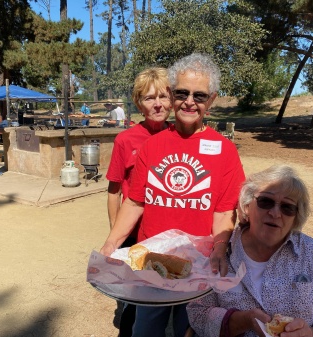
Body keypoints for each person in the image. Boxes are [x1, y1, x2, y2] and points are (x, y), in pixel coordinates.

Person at [100, 53, 245, 337]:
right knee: (145, 330)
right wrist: (111, 243)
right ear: (171, 93)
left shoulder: (225, 151)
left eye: (199, 95)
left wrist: (218, 250)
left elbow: (224, 211)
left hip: (199, 264)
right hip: (153, 261)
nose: (190, 101)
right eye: (182, 93)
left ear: (211, 100)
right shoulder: (152, 147)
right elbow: (134, 201)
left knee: (189, 330)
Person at [186, 165, 313, 337]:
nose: (275, 213)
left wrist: (311, 334)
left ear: (296, 217)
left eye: (287, 207)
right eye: (265, 202)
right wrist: (243, 320)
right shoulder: (220, 254)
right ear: (246, 206)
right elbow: (198, 316)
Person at [106, 67, 172, 337]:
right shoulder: (126, 139)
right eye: (149, 98)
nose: (157, 104)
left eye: (163, 96)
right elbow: (113, 190)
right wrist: (115, 234)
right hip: (135, 232)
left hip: (168, 231)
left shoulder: (180, 136)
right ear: (138, 103)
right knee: (136, 299)